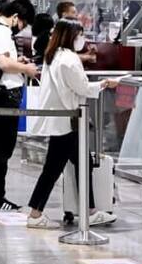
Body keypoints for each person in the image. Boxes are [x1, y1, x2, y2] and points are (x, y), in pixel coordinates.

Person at [26, 19, 118, 228]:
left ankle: (90, 210)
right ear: (71, 36)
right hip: (68, 122)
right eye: (80, 35)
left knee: (83, 163)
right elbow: (82, 87)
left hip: (64, 120)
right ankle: (35, 214)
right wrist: (104, 84)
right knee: (53, 169)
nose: (82, 39)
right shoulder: (68, 59)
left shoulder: (54, 56)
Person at [0, 0, 38, 210]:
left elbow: (1, 61)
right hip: (3, 95)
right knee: (1, 148)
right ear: (15, 17)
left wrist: (17, 62)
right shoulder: (1, 31)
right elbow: (3, 64)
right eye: (22, 23)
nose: (20, 27)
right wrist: (26, 69)